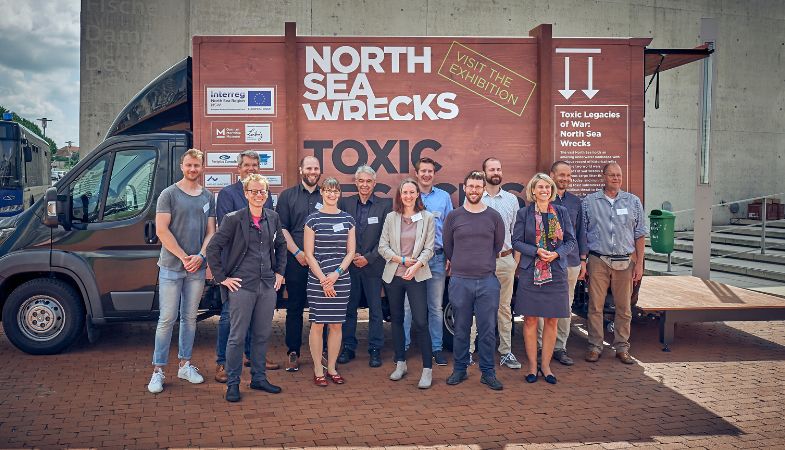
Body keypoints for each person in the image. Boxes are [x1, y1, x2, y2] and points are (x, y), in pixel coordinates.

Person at [206, 174, 287, 402]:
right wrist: (222, 278)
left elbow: (281, 245)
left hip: (267, 286)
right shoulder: (234, 219)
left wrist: (280, 273)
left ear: (267, 194)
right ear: (246, 193)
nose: (258, 195)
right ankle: (233, 383)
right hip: (241, 286)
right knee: (237, 337)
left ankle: (258, 378)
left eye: (262, 191)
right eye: (254, 191)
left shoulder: (273, 217)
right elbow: (213, 249)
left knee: (261, 335)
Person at [147, 148, 215, 394]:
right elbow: (162, 230)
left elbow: (211, 232)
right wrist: (184, 257)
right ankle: (158, 371)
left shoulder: (208, 196)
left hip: (196, 269)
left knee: (189, 319)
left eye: (197, 165)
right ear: (181, 166)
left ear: (202, 167)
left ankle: (185, 365)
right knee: (167, 319)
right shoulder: (169, 194)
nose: (192, 169)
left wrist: (200, 256)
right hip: (171, 267)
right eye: (189, 165)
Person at [215, 151, 277, 384]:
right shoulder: (227, 194)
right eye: (246, 165)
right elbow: (224, 234)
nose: (251, 169)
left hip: (261, 273)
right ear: (238, 168)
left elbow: (273, 233)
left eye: (255, 165)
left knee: (258, 321)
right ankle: (222, 364)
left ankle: (252, 360)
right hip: (237, 270)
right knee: (228, 320)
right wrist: (223, 275)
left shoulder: (265, 195)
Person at [443, 171, 505, 390]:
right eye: (471, 187)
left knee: (487, 330)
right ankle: (459, 370)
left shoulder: (494, 217)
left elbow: (497, 246)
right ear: (465, 188)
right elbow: (448, 247)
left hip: (487, 281)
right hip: (461, 280)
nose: (474, 190)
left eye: (478, 187)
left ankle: (488, 372)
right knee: (461, 328)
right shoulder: (454, 217)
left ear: (484, 189)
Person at [512, 173, 577, 384]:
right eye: (540, 187)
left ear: (552, 190)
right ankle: (532, 366)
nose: (544, 190)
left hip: (556, 271)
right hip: (531, 270)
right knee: (530, 320)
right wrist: (536, 251)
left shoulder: (561, 212)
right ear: (533, 190)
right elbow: (516, 242)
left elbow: (570, 241)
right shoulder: (524, 213)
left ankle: (546, 366)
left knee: (552, 320)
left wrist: (557, 254)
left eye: (548, 187)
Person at [583, 162, 647, 365]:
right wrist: (584, 261)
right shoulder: (589, 202)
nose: (616, 178)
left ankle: (622, 347)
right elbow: (582, 233)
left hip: (625, 262)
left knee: (624, 307)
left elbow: (640, 234)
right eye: (612, 175)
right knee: (595, 306)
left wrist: (639, 264)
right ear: (603, 176)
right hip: (598, 260)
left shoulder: (633, 202)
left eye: (619, 175)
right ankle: (595, 346)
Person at [378, 178, 436, 389]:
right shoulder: (391, 217)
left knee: (421, 321)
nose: (409, 196)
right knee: (397, 320)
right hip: (394, 275)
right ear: (400, 195)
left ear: (417, 194)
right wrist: (401, 260)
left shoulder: (427, 218)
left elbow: (430, 248)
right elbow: (382, 247)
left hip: (416, 275)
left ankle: (427, 369)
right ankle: (400, 363)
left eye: (412, 192)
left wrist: (416, 265)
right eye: (405, 192)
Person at [467, 158, 523, 369]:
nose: (496, 172)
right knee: (474, 308)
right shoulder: (474, 198)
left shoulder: (511, 200)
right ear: (483, 173)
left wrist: (514, 261)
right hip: (479, 263)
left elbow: (517, 233)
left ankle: (506, 352)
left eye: (499, 169)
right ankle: (469, 352)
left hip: (505, 260)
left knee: (504, 308)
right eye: (491, 169)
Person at [337, 166, 392, 367]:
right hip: (350, 266)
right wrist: (351, 256)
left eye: (369, 181)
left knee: (375, 311)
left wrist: (368, 257)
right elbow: (340, 232)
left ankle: (375, 349)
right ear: (356, 182)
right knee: (348, 309)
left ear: (374, 183)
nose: (365, 185)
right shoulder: (345, 203)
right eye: (361, 181)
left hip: (374, 266)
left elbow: (386, 237)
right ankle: (348, 347)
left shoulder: (385, 205)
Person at [303, 177, 356, 386]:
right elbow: (308, 254)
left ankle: (332, 367)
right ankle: (318, 368)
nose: (332, 194)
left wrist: (336, 274)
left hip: (340, 279)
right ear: (322, 193)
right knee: (318, 324)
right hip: (318, 279)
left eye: (335, 191)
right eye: (328, 190)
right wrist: (324, 279)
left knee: (336, 325)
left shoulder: (348, 220)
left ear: (339, 194)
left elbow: (350, 252)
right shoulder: (312, 220)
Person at [534, 161, 587, 366]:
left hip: (570, 262)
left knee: (565, 305)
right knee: (541, 304)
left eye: (568, 175)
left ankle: (559, 347)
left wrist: (583, 260)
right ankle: (540, 346)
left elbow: (581, 233)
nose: (565, 179)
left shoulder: (575, 202)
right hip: (544, 262)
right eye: (561, 175)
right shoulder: (541, 200)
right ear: (551, 176)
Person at [276, 156, 323, 372]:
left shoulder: (328, 194)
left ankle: (320, 351)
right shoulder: (287, 196)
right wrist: (297, 252)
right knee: (294, 307)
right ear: (301, 169)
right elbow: (281, 228)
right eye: (309, 168)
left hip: (322, 261)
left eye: (316, 168)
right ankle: (293, 351)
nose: (312, 171)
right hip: (297, 261)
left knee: (320, 310)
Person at [404, 157, 452, 366]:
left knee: (435, 307)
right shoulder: (408, 195)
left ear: (434, 174)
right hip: (412, 261)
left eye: (430, 171)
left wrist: (450, 255)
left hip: (437, 258)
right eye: (423, 171)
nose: (426, 174)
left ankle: (436, 348)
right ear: (416, 173)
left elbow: (450, 229)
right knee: (407, 307)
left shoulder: (443, 197)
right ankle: (403, 347)